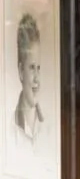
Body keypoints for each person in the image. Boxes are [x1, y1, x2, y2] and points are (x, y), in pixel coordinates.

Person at [11, 9, 45, 147]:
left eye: (39, 68)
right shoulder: (9, 130)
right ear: (20, 71)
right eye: (31, 67)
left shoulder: (48, 127)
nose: (37, 79)